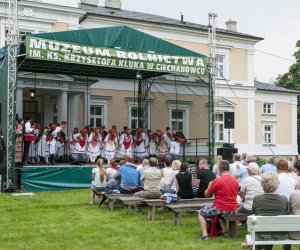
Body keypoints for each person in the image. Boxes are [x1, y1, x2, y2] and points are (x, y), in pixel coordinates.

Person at [244, 171, 289, 250]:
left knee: (259, 229)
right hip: (280, 235)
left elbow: (255, 213)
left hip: (261, 234)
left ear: (262, 184)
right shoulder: (284, 199)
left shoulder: (257, 199)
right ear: (277, 184)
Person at [197, 160, 239, 241]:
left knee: (201, 212)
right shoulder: (235, 180)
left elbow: (206, 195)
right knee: (220, 214)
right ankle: (225, 231)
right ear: (228, 169)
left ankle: (205, 235)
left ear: (219, 169)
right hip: (233, 208)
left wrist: (209, 186)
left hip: (221, 207)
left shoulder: (217, 180)